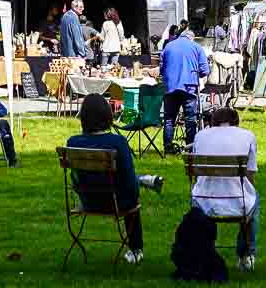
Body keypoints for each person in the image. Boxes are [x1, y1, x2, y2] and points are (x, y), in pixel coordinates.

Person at [67, 94, 160, 263]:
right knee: (132, 196)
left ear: (83, 117)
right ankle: (136, 248)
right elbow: (128, 181)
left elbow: (75, 177)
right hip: (117, 202)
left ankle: (144, 180)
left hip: (87, 200)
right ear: (107, 115)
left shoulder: (73, 142)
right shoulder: (118, 142)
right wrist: (136, 192)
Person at [191, 105, 260, 271]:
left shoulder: (200, 136)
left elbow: (196, 174)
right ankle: (246, 255)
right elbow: (250, 175)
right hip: (239, 202)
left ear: (213, 122)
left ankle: (203, 251)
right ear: (236, 122)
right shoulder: (247, 136)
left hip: (204, 202)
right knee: (254, 201)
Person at [160, 23, 210, 154]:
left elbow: (161, 68)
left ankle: (168, 147)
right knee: (190, 119)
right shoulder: (196, 47)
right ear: (191, 38)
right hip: (189, 86)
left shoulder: (168, 46)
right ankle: (190, 147)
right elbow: (205, 70)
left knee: (169, 119)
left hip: (170, 87)